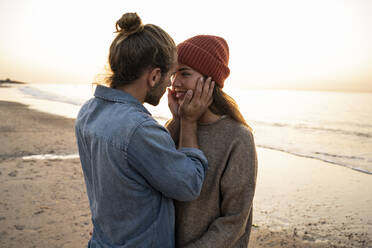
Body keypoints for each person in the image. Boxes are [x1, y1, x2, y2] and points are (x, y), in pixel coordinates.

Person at [75, 13, 215, 247]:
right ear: (154, 76)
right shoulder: (139, 129)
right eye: (170, 76)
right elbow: (189, 184)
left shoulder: (88, 112)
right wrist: (188, 121)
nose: (171, 84)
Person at [166, 35, 258, 247]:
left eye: (184, 73)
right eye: (173, 74)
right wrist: (177, 121)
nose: (175, 82)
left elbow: (234, 220)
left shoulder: (238, 138)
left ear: (210, 81)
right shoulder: (176, 127)